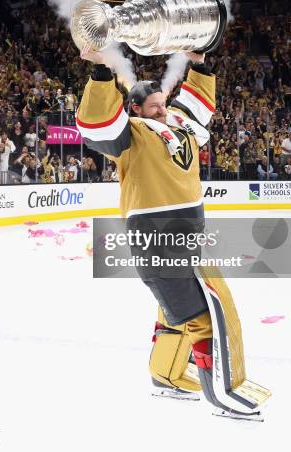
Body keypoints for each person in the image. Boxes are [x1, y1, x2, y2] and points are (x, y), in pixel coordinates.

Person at [76, 47, 265, 419]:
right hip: (156, 238)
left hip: (187, 233)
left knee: (175, 309)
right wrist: (101, 71)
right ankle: (224, 393)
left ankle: (166, 374)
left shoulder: (178, 122)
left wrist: (199, 63)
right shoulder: (129, 135)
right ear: (135, 110)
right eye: (154, 108)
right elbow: (98, 125)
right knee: (208, 313)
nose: (162, 110)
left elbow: (197, 107)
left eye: (163, 103)